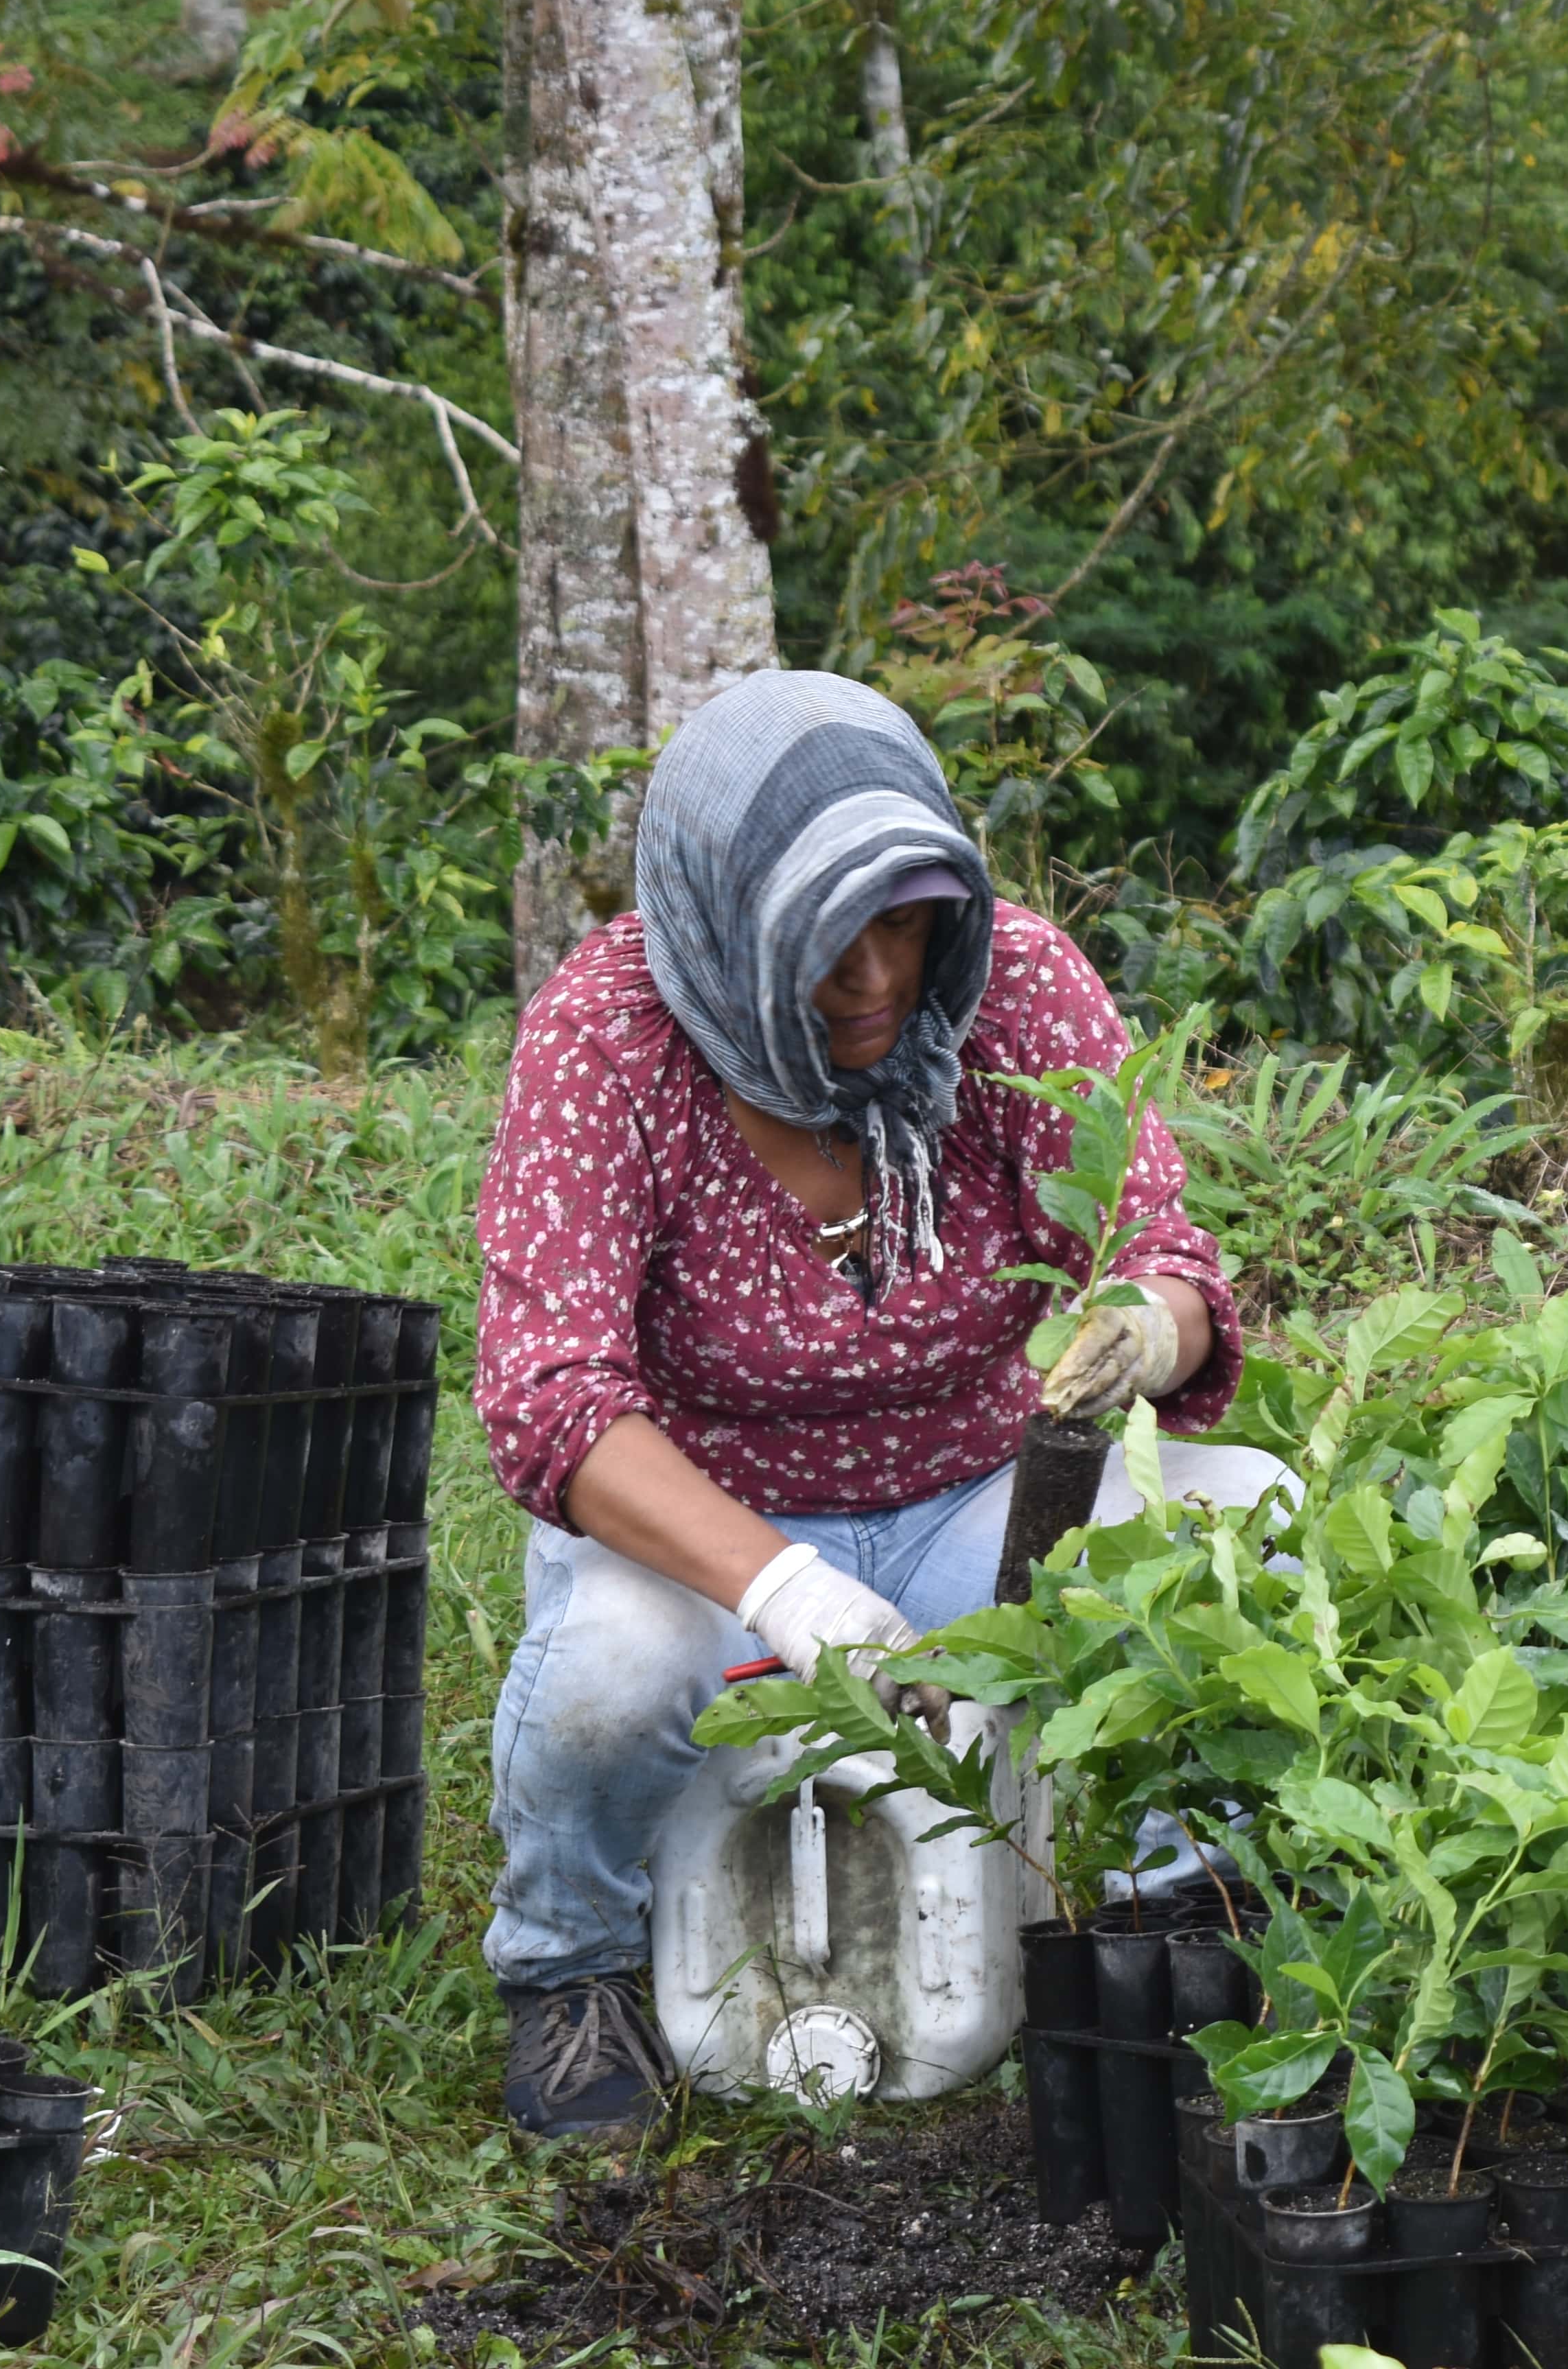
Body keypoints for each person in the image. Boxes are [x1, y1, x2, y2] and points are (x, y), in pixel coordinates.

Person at [471, 670, 1240, 2142]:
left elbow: (1162, 1247)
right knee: (606, 1674)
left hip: (977, 1495)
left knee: (1236, 1532)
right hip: (704, 1526)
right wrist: (779, 1580)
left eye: (906, 919)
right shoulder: (611, 1036)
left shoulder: (1012, 984)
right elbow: (552, 1399)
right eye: (829, 940)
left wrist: (1149, 1321)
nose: (880, 974)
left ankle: (1161, 1913)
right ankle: (569, 1969)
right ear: (724, 920)